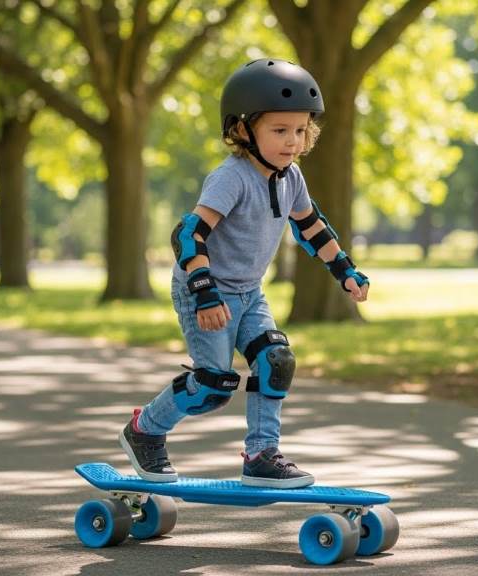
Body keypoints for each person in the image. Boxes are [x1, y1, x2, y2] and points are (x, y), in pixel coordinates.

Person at [118, 58, 369, 489]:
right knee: (214, 385)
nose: (293, 141)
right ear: (241, 130)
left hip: (250, 293)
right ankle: (145, 431)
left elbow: (310, 226)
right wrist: (205, 293)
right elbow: (188, 236)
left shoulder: (292, 178)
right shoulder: (231, 178)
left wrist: (344, 270)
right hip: (207, 291)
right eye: (279, 130)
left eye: (300, 130)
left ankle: (261, 454)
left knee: (276, 360)